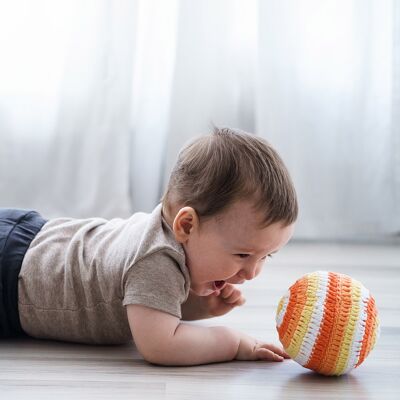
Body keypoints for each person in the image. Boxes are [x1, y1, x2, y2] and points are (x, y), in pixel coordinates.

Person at [0, 127, 297, 366]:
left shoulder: (161, 233)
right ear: (187, 226)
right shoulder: (156, 260)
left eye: (266, 256)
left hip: (32, 238)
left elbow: (144, 304)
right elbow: (161, 345)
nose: (252, 272)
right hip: (9, 278)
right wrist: (233, 343)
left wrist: (192, 306)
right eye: (242, 254)